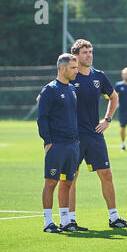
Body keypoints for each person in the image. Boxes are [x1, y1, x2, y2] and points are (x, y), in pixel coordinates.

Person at [68, 39, 127, 230]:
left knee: (106, 174)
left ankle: (114, 217)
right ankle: (70, 219)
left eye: (90, 51)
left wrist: (107, 119)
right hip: (73, 136)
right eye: (84, 52)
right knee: (71, 177)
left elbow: (114, 97)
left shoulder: (99, 76)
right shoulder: (70, 77)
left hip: (94, 134)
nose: (89, 55)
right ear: (76, 56)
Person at [37, 53, 79, 233]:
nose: (76, 71)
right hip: (56, 145)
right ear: (62, 69)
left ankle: (65, 221)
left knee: (68, 182)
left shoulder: (71, 89)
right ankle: (48, 222)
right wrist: (48, 142)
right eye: (73, 68)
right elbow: (42, 118)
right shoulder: (49, 90)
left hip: (72, 145)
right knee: (51, 182)